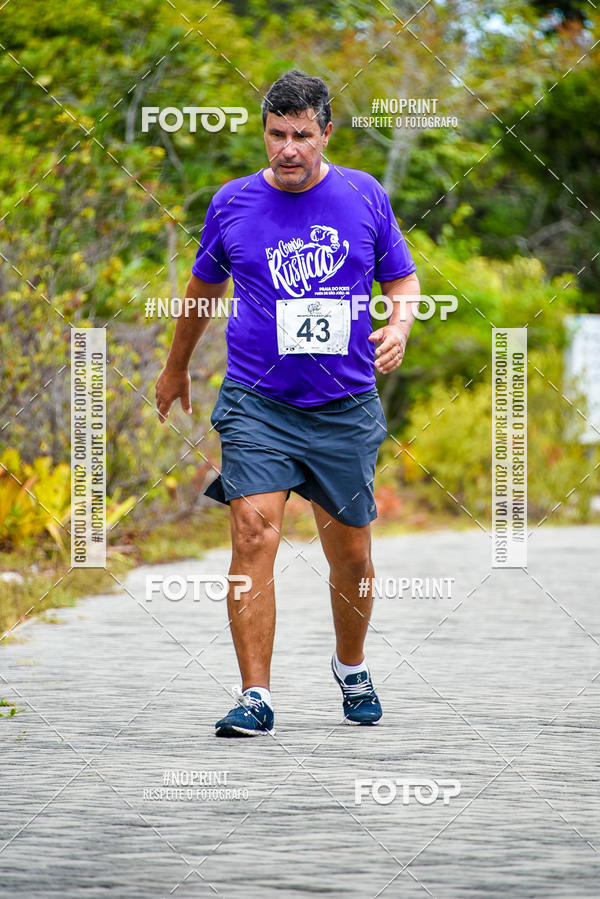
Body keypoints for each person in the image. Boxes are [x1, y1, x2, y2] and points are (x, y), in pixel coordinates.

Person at [155, 69, 420, 737]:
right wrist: (175, 366)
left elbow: (404, 280)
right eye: (277, 134)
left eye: (303, 134)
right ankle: (255, 694)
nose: (289, 149)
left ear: (327, 133)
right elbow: (200, 291)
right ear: (264, 133)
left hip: (344, 403)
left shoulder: (363, 195)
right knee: (252, 533)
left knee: (352, 554)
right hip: (257, 402)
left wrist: (399, 326)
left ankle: (351, 665)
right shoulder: (234, 202)